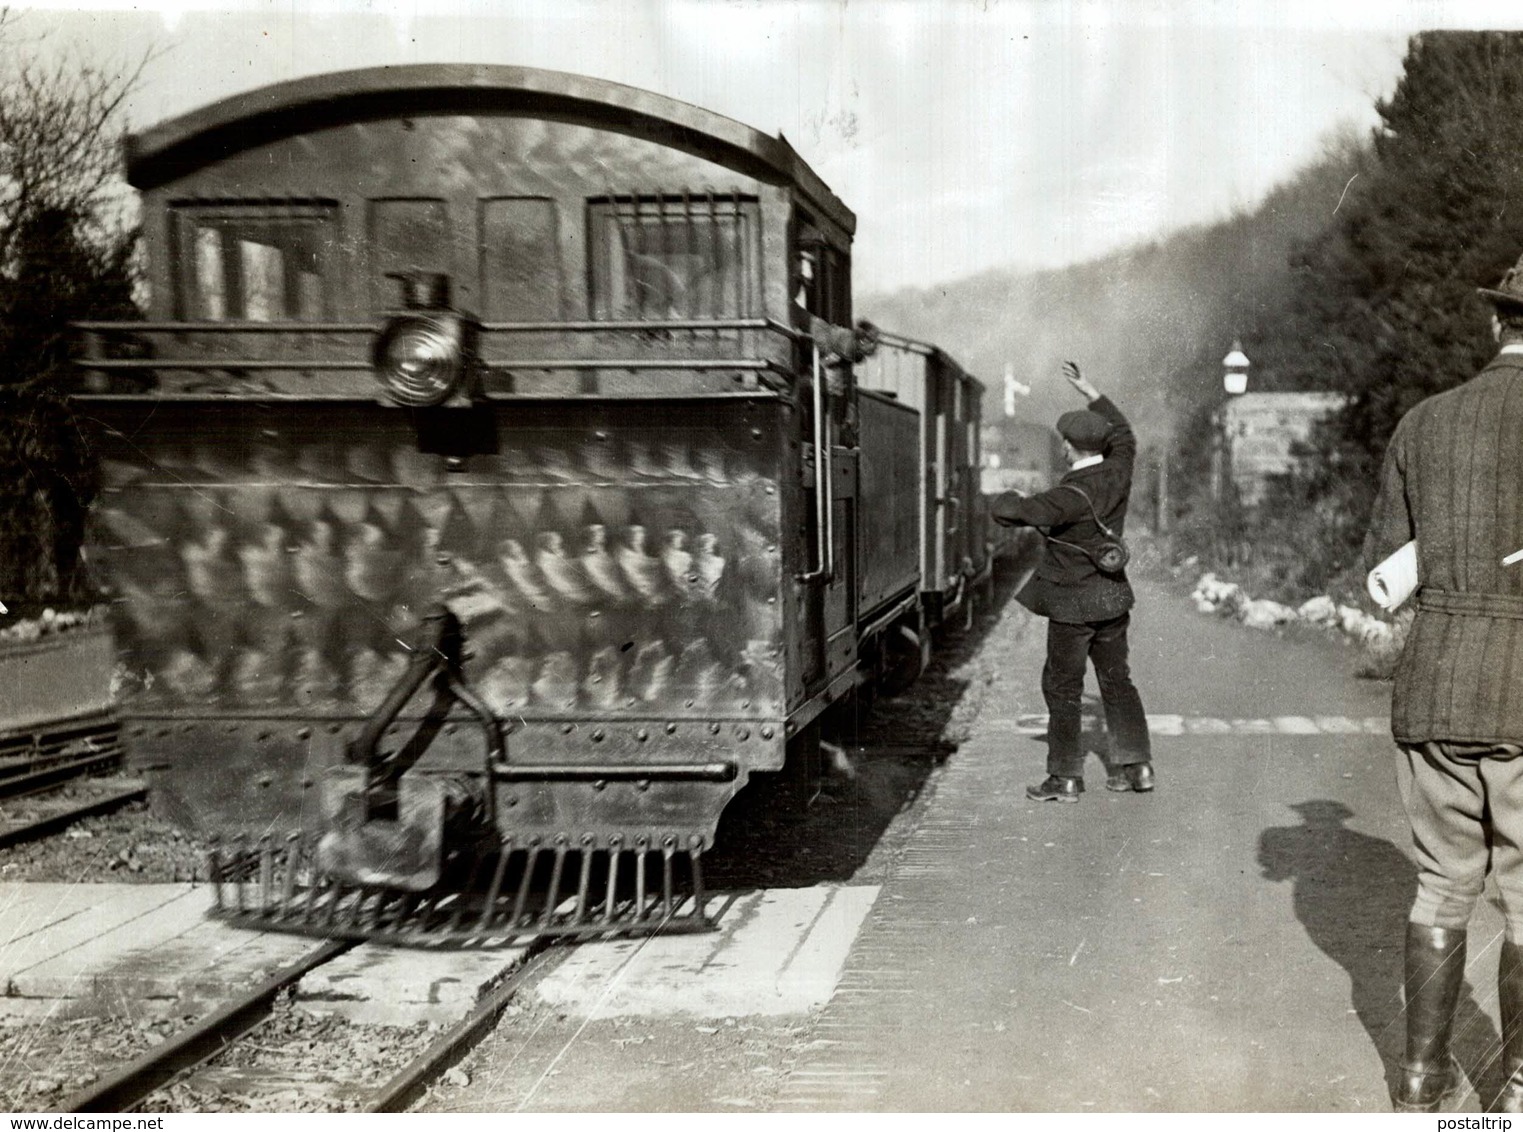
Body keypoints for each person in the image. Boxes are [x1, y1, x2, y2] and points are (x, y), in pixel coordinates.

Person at [1363, 255, 1523, 1112]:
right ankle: (1517, 1092)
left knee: (1440, 884)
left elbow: (1384, 575)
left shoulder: (1423, 423)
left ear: (1495, 323)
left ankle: (1420, 1082)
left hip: (1434, 687)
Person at [990, 361, 1153, 802]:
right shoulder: (1119, 471)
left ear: (1069, 448)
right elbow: (1124, 433)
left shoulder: (1065, 496)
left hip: (1072, 605)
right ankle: (1136, 768)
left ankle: (1064, 777)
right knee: (1117, 680)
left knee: (1062, 686)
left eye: (1063, 443)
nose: (1060, 448)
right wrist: (1091, 391)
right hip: (1113, 597)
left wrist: (995, 496)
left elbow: (1015, 512)